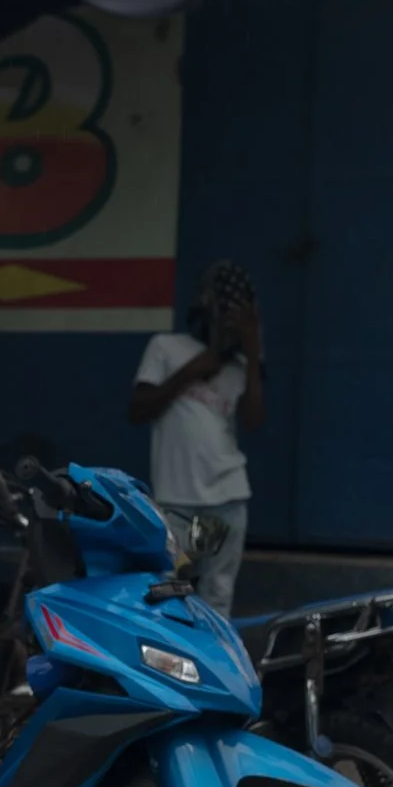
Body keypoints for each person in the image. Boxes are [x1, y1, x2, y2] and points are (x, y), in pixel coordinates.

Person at [128, 260, 264, 613]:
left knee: (217, 597)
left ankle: (215, 666)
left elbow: (253, 420)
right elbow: (138, 409)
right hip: (177, 504)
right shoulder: (166, 348)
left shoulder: (241, 368)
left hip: (225, 500)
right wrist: (189, 373)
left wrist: (251, 351)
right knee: (170, 590)